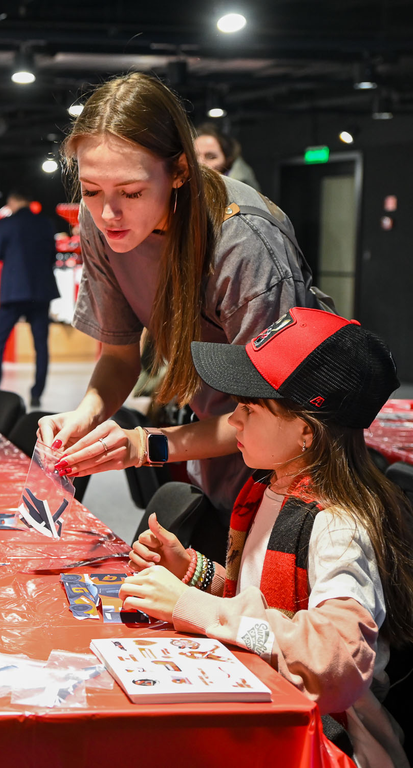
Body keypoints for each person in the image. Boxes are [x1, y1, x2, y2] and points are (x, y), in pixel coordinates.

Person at [38, 72, 322, 554]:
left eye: (130, 193)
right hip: (217, 432)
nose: (108, 214)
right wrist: (84, 415)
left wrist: (142, 444)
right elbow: (120, 357)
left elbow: (271, 417)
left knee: (265, 611)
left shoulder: (244, 243)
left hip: (291, 459)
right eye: (89, 191)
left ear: (180, 173)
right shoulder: (101, 224)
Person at [120, 307, 413, 767]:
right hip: (269, 710)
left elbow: (333, 659)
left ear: (306, 432)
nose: (233, 421)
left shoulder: (339, 526)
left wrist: (192, 606)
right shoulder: (268, 488)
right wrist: (195, 574)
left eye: (250, 408)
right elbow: (268, 613)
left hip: (330, 743)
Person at [0, 189, 59, 408]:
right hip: (40, 291)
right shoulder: (45, 223)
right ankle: (37, 394)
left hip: (14, 292)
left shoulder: (5, 224)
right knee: (41, 345)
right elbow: (52, 254)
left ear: (12, 201)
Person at [194, 122, 262, 192]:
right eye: (194, 156)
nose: (200, 162)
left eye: (211, 157)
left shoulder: (239, 193)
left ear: (228, 161)